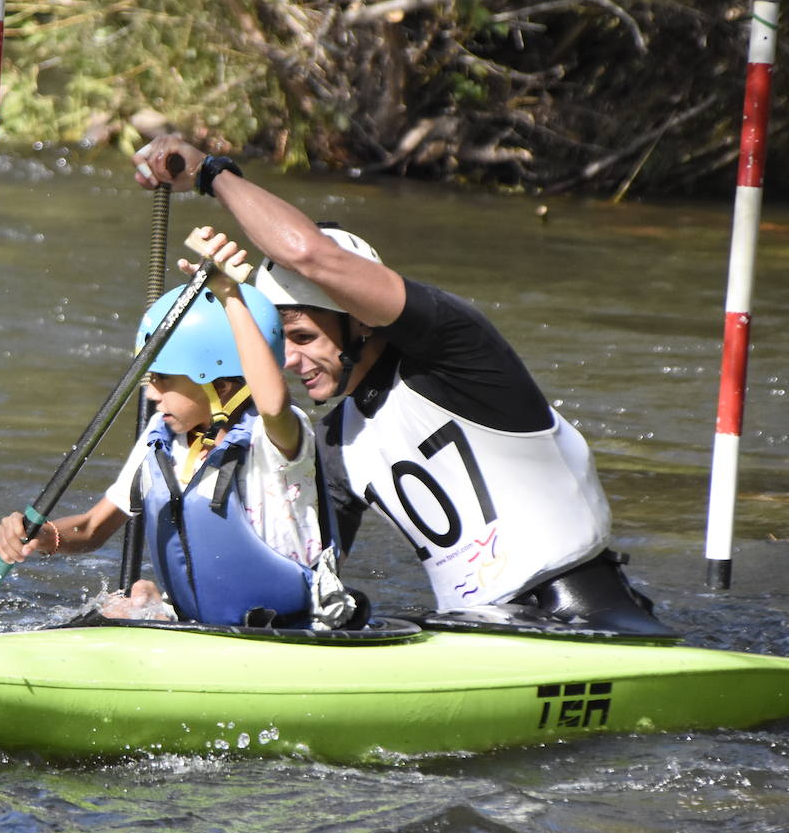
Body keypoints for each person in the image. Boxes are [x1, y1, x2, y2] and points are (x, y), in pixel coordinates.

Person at [132, 138, 675, 636]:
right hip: (477, 632)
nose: (289, 361)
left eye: (302, 336)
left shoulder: (456, 353)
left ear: (360, 320)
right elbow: (297, 567)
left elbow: (309, 255)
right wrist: (179, 601)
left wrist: (209, 172)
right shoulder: (335, 446)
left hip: (594, 623)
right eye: (279, 342)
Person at [0, 229, 359, 629]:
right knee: (119, 607)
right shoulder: (163, 440)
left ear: (220, 385)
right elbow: (94, 529)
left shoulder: (276, 440)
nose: (152, 395)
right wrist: (45, 536)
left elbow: (272, 401)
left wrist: (229, 295)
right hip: (198, 626)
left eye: (164, 380)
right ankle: (152, 601)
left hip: (288, 629)